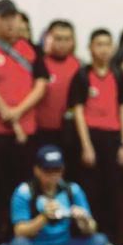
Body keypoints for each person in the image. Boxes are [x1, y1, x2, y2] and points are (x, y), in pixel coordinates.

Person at [0, 0, 49, 245]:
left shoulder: (31, 49)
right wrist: (9, 115)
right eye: (4, 18)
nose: (9, 23)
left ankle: (15, 237)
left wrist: (18, 113)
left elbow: (41, 84)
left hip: (25, 133)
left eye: (13, 18)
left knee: (21, 187)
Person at [69, 28, 123, 245]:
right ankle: (88, 240)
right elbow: (78, 111)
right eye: (99, 45)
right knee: (90, 191)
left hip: (112, 138)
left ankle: (110, 241)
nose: (103, 50)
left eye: (107, 44)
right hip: (91, 137)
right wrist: (86, 146)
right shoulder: (83, 75)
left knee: (112, 192)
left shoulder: (119, 76)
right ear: (90, 47)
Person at [6, 144, 107, 245]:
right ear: (37, 170)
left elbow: (92, 229)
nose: (53, 175)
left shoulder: (72, 190)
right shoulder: (24, 192)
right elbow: (19, 231)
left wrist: (84, 220)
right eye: (48, 170)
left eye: (57, 170)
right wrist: (44, 217)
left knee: (100, 240)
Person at [35, 20, 79, 155]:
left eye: (67, 39)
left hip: (70, 130)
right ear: (49, 39)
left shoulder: (78, 66)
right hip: (41, 129)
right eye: (58, 38)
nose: (63, 44)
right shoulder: (39, 64)